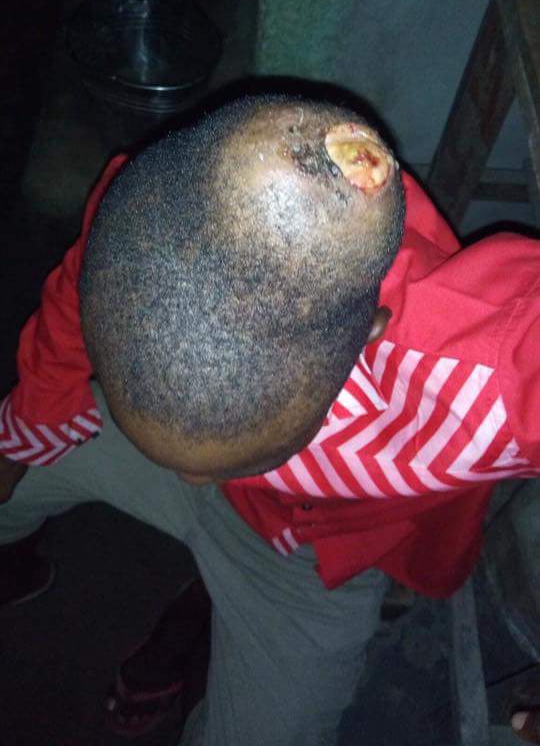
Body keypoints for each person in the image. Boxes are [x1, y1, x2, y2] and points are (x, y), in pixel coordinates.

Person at [0, 93, 539, 745]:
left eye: (253, 454)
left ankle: (199, 613)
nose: (199, 482)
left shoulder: (493, 372)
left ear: (366, 340)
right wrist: (21, 436)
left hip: (309, 563)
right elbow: (69, 309)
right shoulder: (150, 221)